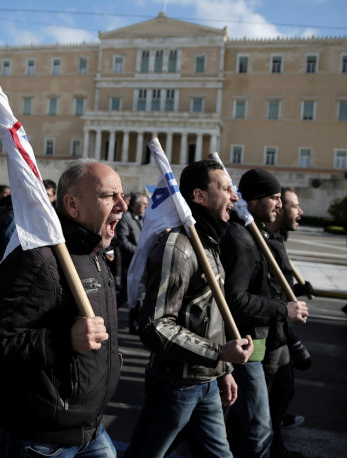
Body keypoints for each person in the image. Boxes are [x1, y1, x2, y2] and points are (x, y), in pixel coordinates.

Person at [0, 159, 127, 458]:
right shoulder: (38, 260)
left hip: (92, 430)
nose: (123, 204)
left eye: (121, 195)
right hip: (43, 441)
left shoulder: (95, 254)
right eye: (109, 196)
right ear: (72, 204)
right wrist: (64, 340)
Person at [124, 160, 253, 458]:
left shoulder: (209, 242)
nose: (234, 197)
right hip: (176, 387)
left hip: (206, 381)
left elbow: (209, 315)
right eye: (225, 189)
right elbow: (156, 325)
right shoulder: (179, 246)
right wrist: (219, 354)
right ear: (199, 196)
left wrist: (223, 370)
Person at [219, 168, 309, 458]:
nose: (280, 205)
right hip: (248, 341)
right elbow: (235, 300)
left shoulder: (255, 234)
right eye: (274, 197)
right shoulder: (242, 238)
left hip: (260, 338)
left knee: (255, 416)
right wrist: (285, 309)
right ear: (254, 201)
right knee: (258, 424)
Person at [263, 187, 314, 458]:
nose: (301, 211)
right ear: (280, 207)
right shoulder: (263, 243)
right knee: (269, 397)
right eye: (295, 206)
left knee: (283, 389)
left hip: (280, 333)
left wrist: (298, 290)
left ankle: (273, 440)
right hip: (270, 337)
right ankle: (270, 445)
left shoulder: (277, 240)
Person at [115, 192, 148, 333]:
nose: (146, 207)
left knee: (138, 295)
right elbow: (123, 242)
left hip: (140, 264)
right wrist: (140, 252)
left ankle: (134, 325)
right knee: (124, 294)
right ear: (134, 204)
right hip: (129, 263)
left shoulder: (142, 219)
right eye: (143, 204)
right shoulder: (126, 219)